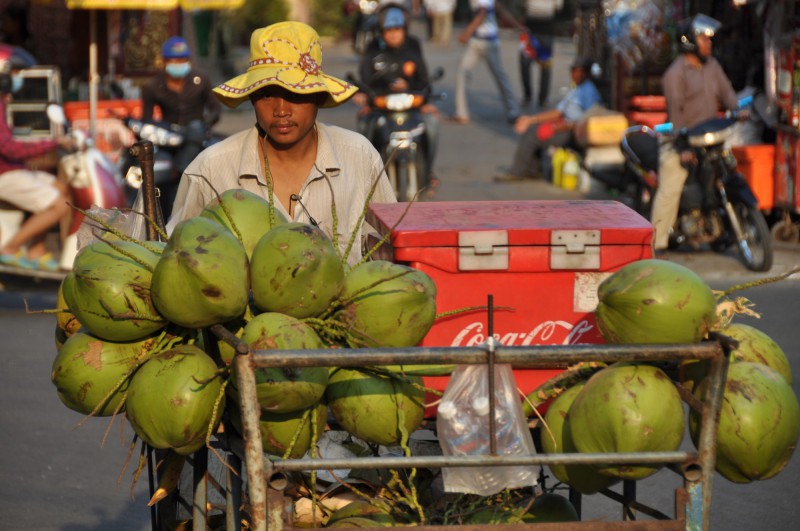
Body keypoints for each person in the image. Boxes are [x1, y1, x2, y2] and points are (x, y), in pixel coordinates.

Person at [168, 21, 396, 266]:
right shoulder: (209, 171)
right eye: (266, 95)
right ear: (252, 98)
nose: (281, 110)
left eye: (296, 95)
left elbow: (391, 249)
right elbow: (176, 256)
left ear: (319, 96)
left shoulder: (359, 158)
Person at [651, 15, 740, 253]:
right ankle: (656, 245)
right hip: (679, 139)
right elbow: (676, 114)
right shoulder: (675, 74)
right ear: (690, 41)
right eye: (704, 39)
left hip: (709, 137)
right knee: (671, 185)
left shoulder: (713, 66)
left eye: (709, 40)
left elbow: (727, 93)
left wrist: (738, 109)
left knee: (729, 171)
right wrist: (683, 147)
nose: (709, 44)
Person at [355, 4, 441, 192]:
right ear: (381, 32)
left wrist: (424, 98)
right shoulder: (372, 48)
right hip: (380, 106)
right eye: (389, 31)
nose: (393, 34)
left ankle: (427, 171)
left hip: (411, 106)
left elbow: (423, 79)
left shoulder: (414, 45)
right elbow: (365, 79)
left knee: (432, 125)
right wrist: (362, 95)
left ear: (404, 29)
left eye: (397, 30)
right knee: (362, 128)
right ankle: (367, 176)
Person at [0, 44, 71, 271]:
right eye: (14, 73)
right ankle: (10, 248)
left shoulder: (3, 100)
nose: (18, 78)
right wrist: (53, 143)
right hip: (4, 174)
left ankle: (35, 250)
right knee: (59, 207)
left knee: (61, 188)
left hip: (11, 168)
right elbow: (10, 149)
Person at [141, 36, 221, 219]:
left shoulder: (201, 79)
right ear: (164, 62)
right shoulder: (152, 86)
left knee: (194, 130)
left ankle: (178, 172)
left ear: (188, 61)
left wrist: (206, 126)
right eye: (174, 60)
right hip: (169, 134)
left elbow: (215, 110)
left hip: (197, 133)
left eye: (182, 60)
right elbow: (146, 120)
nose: (178, 64)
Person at [494, 55, 601, 181]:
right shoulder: (576, 90)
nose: (574, 74)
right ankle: (531, 169)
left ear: (587, 73)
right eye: (573, 70)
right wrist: (531, 119)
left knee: (533, 135)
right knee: (534, 127)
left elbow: (587, 119)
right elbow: (557, 112)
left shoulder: (588, 91)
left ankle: (516, 172)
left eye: (578, 71)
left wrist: (556, 127)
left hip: (572, 132)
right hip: (563, 124)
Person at [451, 0, 524, 125]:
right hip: (476, 41)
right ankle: (461, 113)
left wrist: (466, 32)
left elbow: (482, 13)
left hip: (488, 42)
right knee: (462, 71)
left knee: (499, 76)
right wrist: (517, 25)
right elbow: (499, 8)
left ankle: (513, 110)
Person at [518, 0, 562, 108]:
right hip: (530, 29)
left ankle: (543, 98)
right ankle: (527, 96)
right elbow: (524, 4)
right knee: (524, 62)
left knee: (545, 64)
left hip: (547, 29)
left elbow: (558, 7)